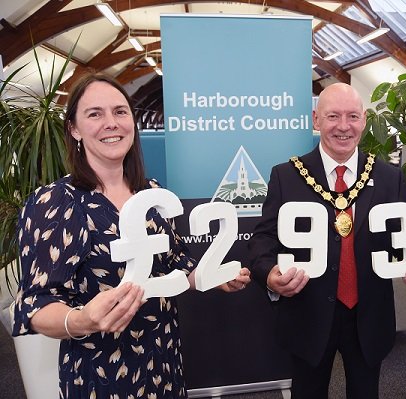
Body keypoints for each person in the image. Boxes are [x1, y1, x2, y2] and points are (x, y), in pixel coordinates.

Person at [11, 73, 251, 398]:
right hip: (101, 369)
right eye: (95, 114)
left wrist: (210, 277)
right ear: (74, 129)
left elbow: (174, 264)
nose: (111, 123)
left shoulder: (152, 193)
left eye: (120, 112)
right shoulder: (53, 203)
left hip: (163, 356)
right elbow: (35, 305)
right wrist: (82, 320)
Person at [247, 82, 406, 398]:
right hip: (306, 313)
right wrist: (268, 273)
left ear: (363, 120)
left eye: (352, 116)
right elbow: (263, 238)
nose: (344, 127)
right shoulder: (287, 175)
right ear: (315, 120)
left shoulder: (389, 177)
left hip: (369, 313)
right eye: (333, 116)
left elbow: (405, 237)